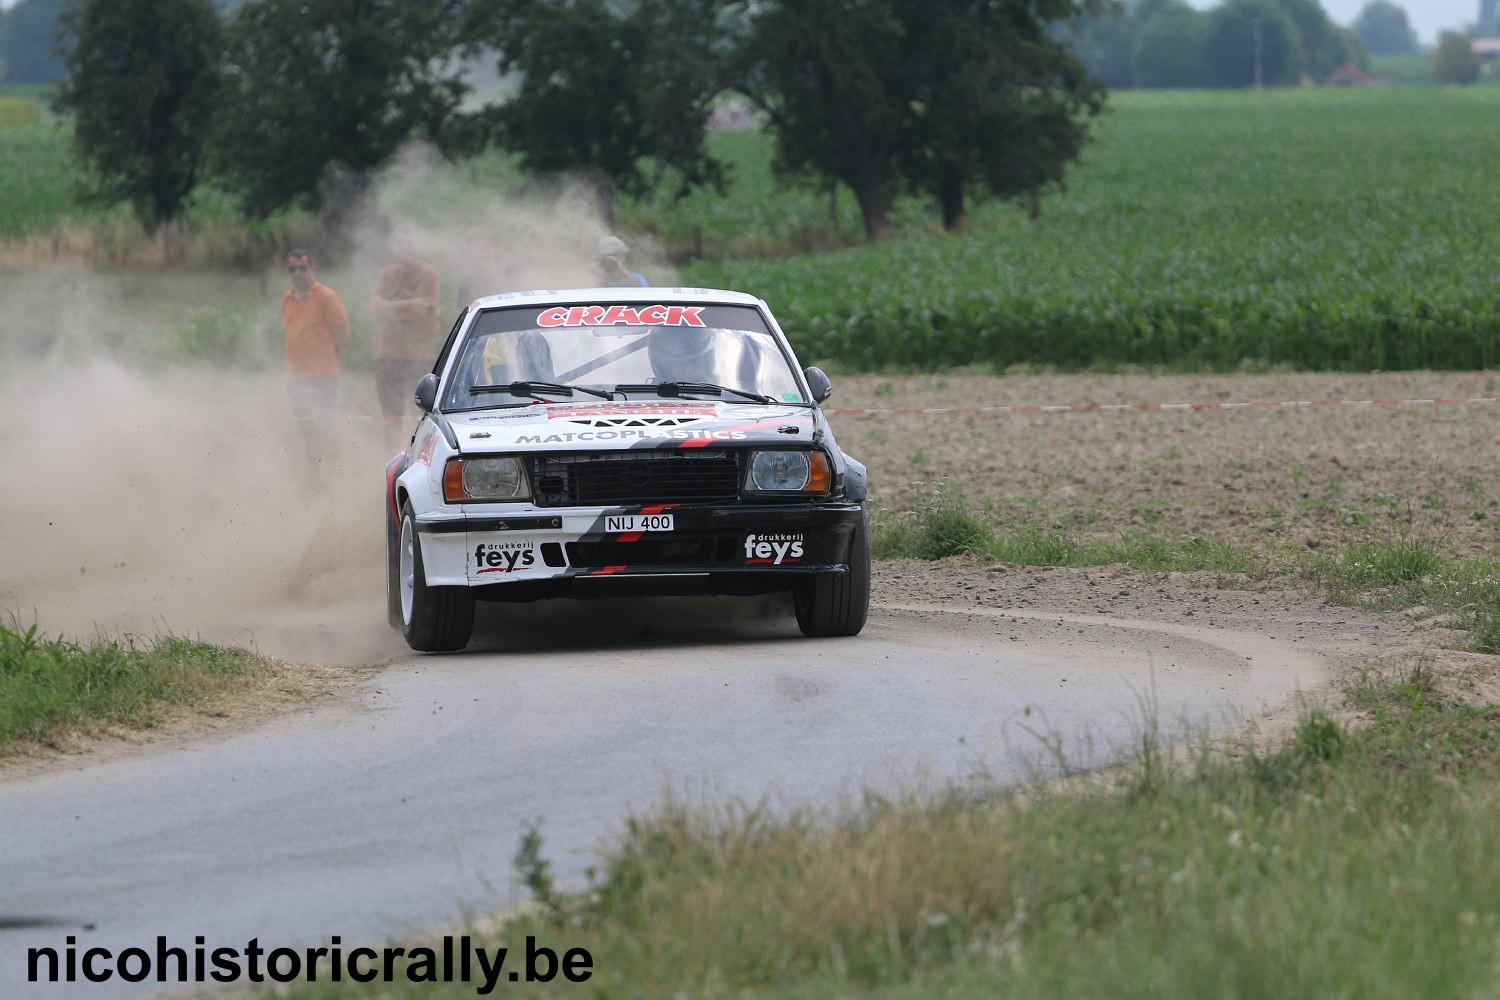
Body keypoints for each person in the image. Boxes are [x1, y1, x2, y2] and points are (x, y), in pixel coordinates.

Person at [280, 248, 351, 482]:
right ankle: (314, 476)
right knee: (306, 430)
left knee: (324, 427)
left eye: (303, 268)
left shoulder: (327, 297)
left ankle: (332, 475)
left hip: (323, 376)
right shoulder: (287, 298)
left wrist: (323, 360)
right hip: (295, 377)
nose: (298, 273)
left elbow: (343, 337)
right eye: (293, 269)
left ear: (312, 269)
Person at [370, 225, 441, 447]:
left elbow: (422, 310)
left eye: (410, 243)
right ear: (394, 248)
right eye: (400, 243)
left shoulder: (428, 274)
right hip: (388, 354)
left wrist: (391, 306)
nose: (405, 248)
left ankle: (420, 455)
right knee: (391, 416)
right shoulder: (386, 274)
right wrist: (409, 303)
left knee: (421, 416)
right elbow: (375, 307)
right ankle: (390, 455)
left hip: (419, 355)